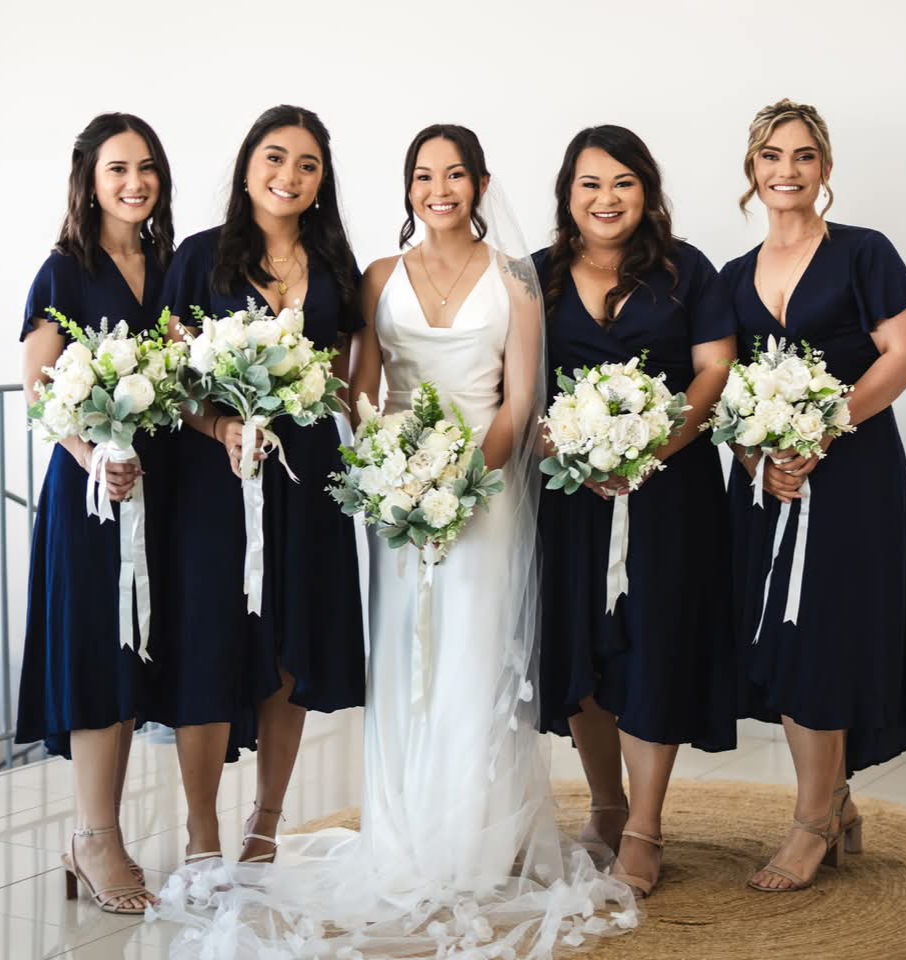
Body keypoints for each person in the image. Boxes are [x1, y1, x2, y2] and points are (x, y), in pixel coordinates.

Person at [152, 123, 635, 959]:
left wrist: (460, 478)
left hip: (483, 490)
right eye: (422, 175)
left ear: (480, 185)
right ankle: (405, 835)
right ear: (408, 187)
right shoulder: (377, 276)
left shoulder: (517, 283)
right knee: (406, 667)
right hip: (394, 493)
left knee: (476, 654)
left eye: (453, 175)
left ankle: (476, 840)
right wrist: (394, 470)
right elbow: (362, 388)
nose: (437, 189)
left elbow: (520, 403)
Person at [721, 98, 906, 892]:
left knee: (830, 637)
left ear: (826, 170)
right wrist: (755, 460)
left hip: (855, 479)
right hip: (770, 486)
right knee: (785, 638)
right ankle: (832, 802)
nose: (787, 170)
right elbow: (727, 386)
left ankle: (811, 819)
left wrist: (820, 430)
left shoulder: (863, 253)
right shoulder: (735, 276)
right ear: (752, 169)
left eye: (804, 157)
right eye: (773, 156)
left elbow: (905, 354)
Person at [151, 104, 365, 868]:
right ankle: (202, 830)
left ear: (321, 182)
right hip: (213, 484)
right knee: (208, 643)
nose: (290, 176)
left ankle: (266, 822)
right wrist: (221, 429)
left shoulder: (338, 267)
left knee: (289, 651)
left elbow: (347, 380)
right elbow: (168, 382)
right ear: (247, 167)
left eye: (308, 165)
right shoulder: (198, 259)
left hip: (306, 483)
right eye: (276, 158)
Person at [535, 125, 737, 897]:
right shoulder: (537, 276)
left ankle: (648, 826)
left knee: (653, 646)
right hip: (569, 496)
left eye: (622, 182)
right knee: (583, 645)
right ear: (568, 193)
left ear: (646, 190)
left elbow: (714, 368)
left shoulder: (688, 271)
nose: (606, 198)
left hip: (670, 494)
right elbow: (520, 379)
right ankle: (607, 803)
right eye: (590, 183)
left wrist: (652, 448)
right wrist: (567, 450)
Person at [17, 112, 174, 913]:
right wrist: (97, 459)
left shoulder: (167, 263)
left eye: (146, 167)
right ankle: (92, 836)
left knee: (132, 657)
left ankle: (99, 834)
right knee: (94, 654)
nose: (134, 182)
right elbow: (43, 391)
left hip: (161, 490)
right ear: (89, 179)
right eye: (118, 169)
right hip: (90, 498)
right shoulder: (63, 270)